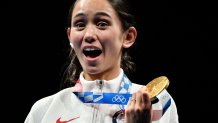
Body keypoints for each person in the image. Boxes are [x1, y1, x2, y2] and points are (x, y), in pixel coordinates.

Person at [25, 0, 179, 122]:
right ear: (70, 37)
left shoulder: (158, 104)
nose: (89, 35)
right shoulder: (43, 111)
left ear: (128, 36)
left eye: (102, 24)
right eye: (80, 25)